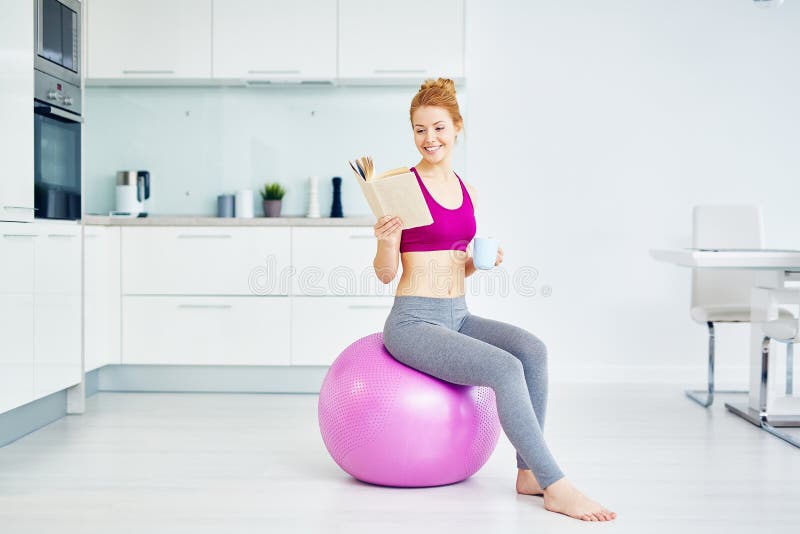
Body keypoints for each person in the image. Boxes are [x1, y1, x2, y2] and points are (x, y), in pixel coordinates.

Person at [374, 78, 616, 522]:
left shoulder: (468, 191)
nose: (430, 139)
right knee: (504, 368)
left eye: (439, 128)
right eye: (420, 129)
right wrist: (386, 242)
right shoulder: (400, 186)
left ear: (457, 128)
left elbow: (456, 264)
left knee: (532, 350)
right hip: (413, 323)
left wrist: (477, 263)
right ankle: (556, 484)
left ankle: (527, 472)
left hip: (458, 315)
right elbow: (386, 273)